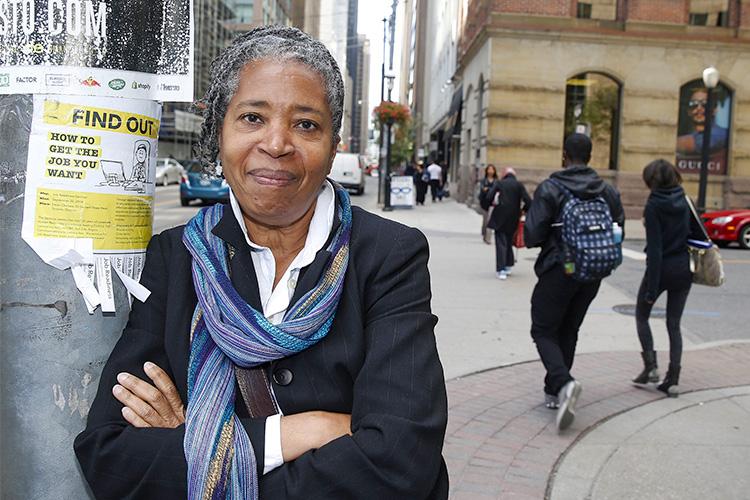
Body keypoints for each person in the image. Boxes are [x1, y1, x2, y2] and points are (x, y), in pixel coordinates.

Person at [75, 26, 449, 499]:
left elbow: (401, 461)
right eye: (252, 117)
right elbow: (109, 454)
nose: (276, 144)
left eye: (306, 124)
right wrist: (298, 432)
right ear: (218, 134)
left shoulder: (388, 255)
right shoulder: (175, 257)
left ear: (334, 147)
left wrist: (204, 456)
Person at [524, 133, 624, 431]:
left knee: (542, 328)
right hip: (593, 271)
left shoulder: (552, 188)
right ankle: (554, 390)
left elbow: (532, 236)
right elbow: (618, 228)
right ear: (590, 156)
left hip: (560, 267)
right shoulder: (607, 190)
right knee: (569, 328)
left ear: (564, 155)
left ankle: (564, 383)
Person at [632, 159, 703, 397]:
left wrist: (652, 287)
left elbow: (655, 249)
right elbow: (696, 233)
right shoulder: (685, 200)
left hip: (661, 270)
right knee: (674, 324)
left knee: (642, 316)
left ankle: (651, 366)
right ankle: (673, 379)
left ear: (651, 180)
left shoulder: (654, 205)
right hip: (684, 269)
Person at [486, 167, 531, 279]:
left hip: (500, 215)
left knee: (501, 242)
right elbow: (528, 201)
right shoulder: (519, 185)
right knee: (509, 240)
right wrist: (523, 210)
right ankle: (508, 265)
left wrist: (492, 203)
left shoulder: (500, 183)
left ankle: (501, 269)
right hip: (513, 216)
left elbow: (489, 196)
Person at [676, 87, 728, 156]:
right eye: (694, 104)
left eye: (705, 105)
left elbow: (704, 143)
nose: (699, 109)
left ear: (714, 110)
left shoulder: (722, 133)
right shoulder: (686, 133)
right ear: (689, 111)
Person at [478, 164, 498, 244]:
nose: (490, 171)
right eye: (489, 169)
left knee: (490, 220)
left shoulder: (496, 181)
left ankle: (487, 237)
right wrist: (490, 190)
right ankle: (484, 233)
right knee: (485, 220)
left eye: (492, 169)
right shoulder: (483, 180)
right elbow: (483, 189)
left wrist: (488, 189)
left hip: (493, 202)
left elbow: (496, 190)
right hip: (484, 202)